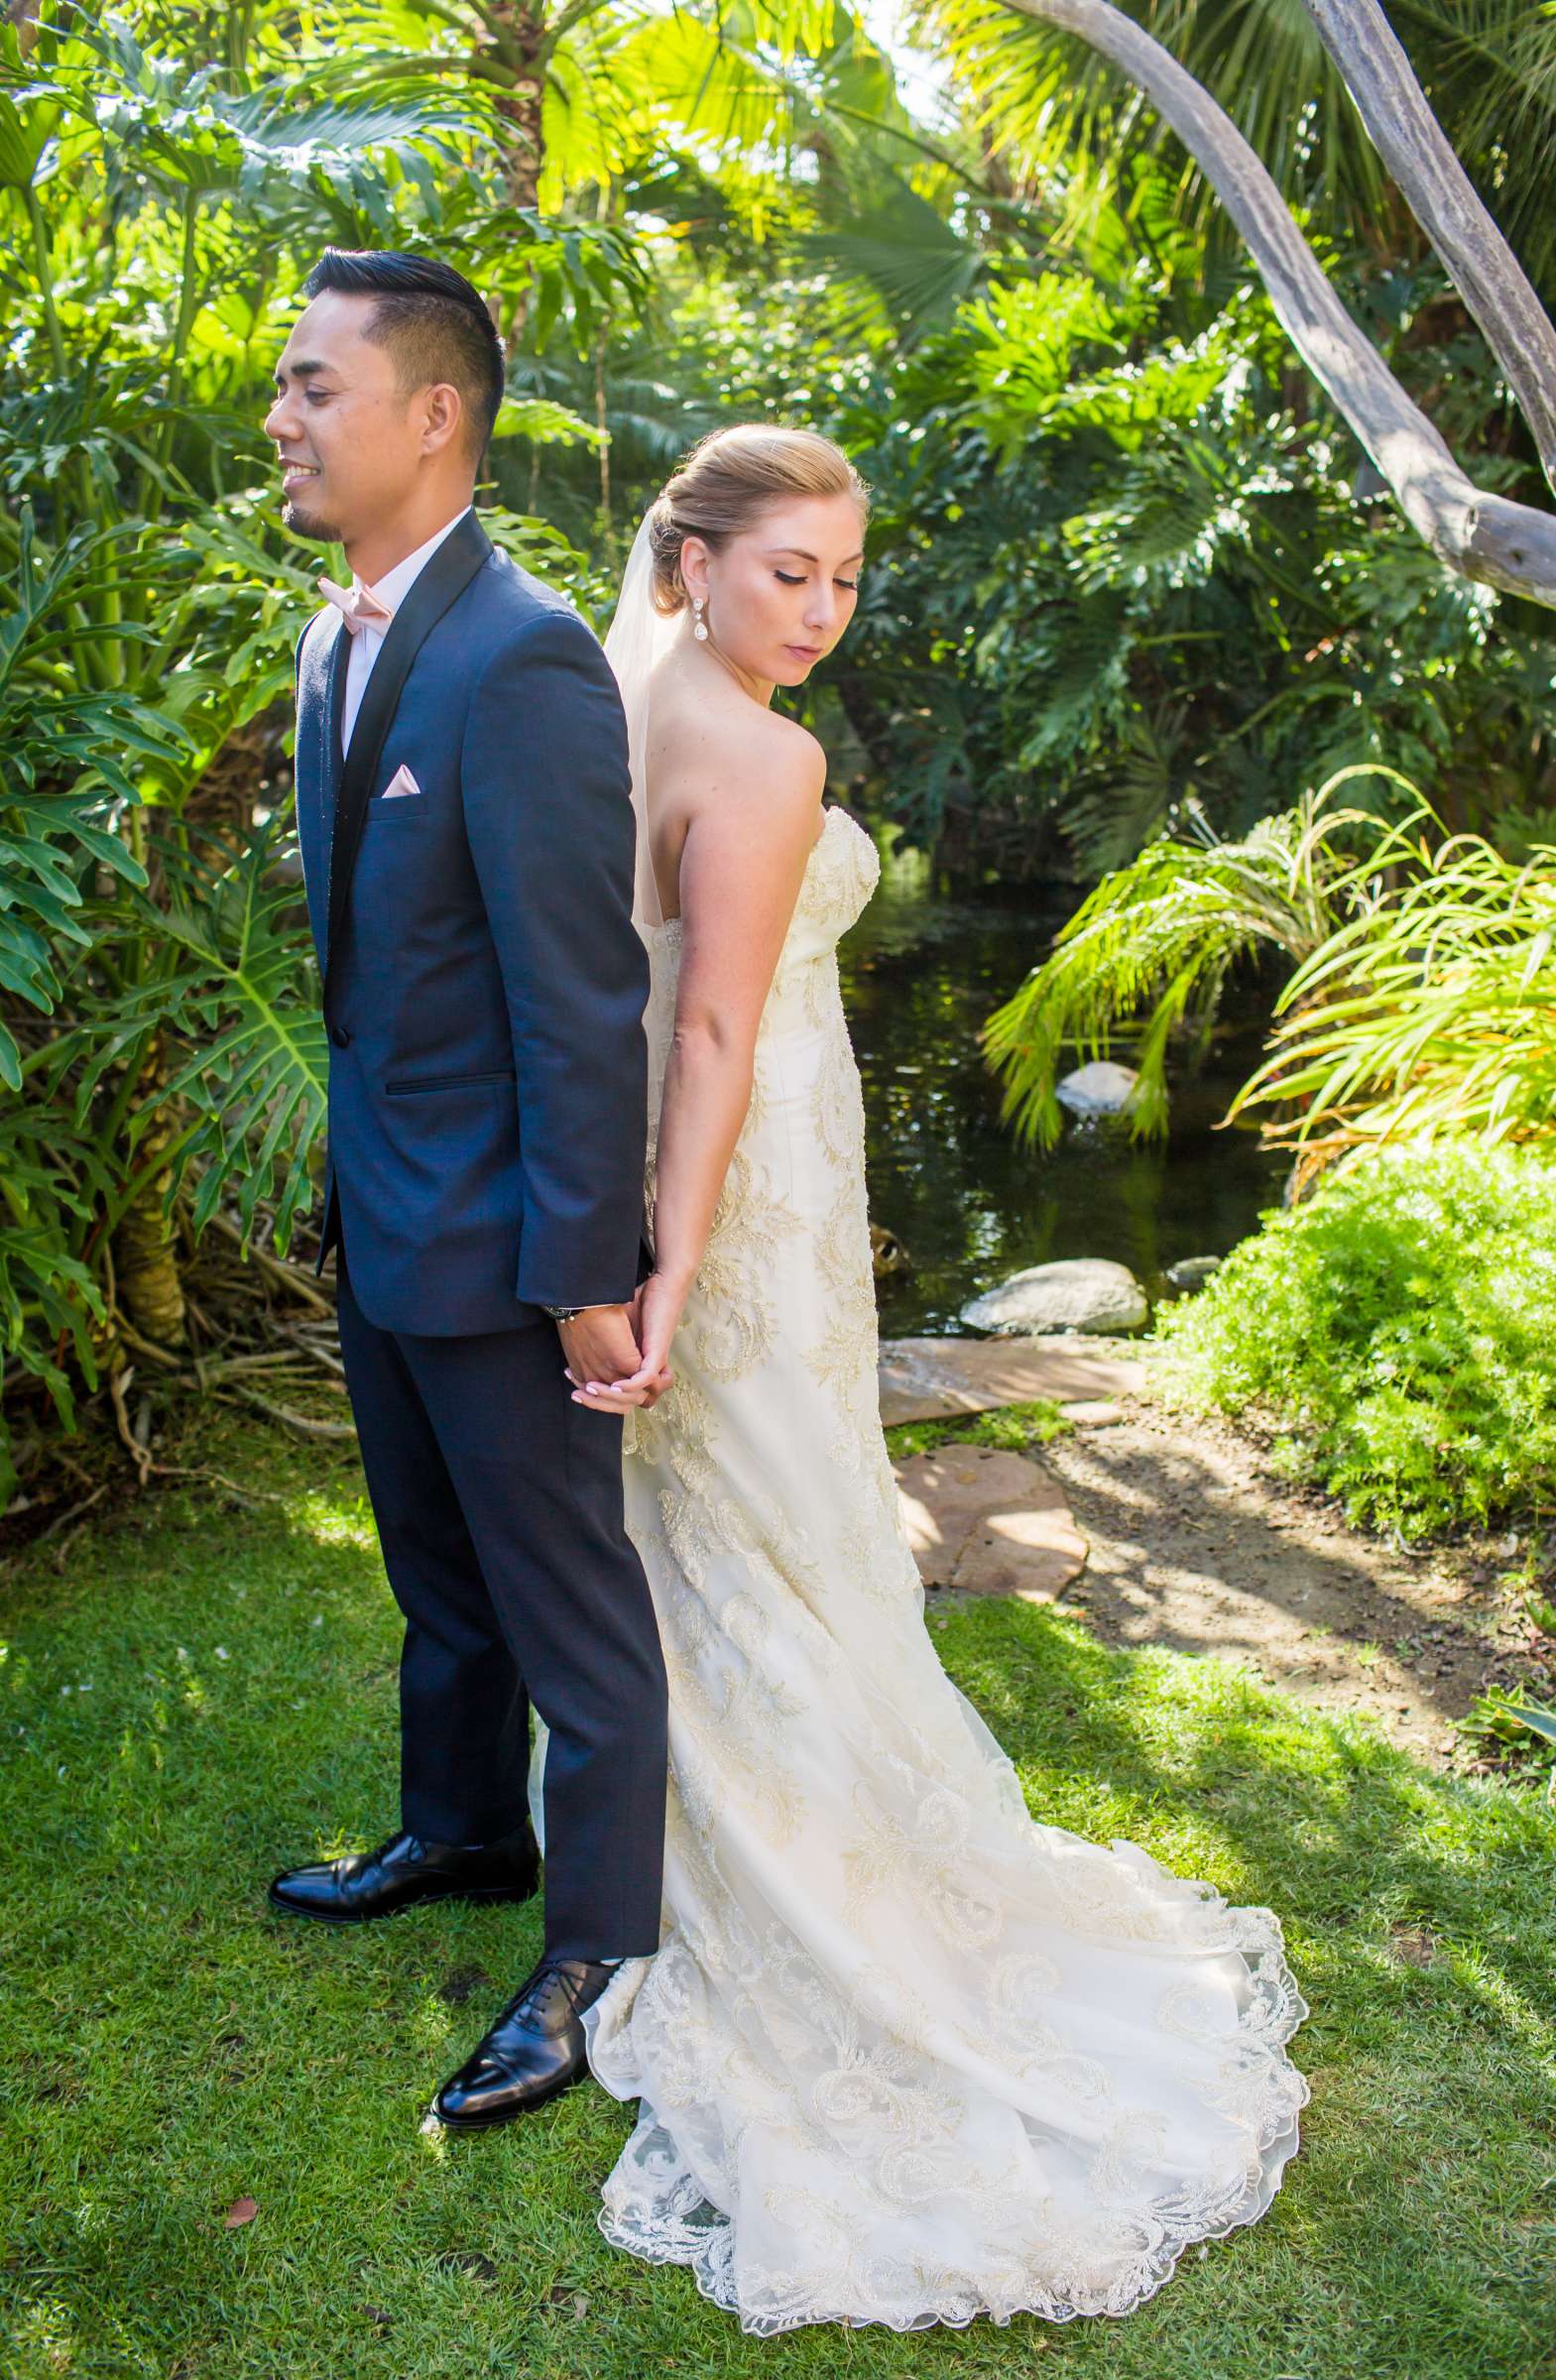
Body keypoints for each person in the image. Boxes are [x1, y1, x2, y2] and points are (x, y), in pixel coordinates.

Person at [552, 423, 1311, 2336]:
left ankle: (663, 1822)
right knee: (781, 1503)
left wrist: (614, 1228)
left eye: (845, 582)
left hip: (638, 1129)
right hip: (744, 1162)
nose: (820, 613)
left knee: (703, 1515)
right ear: (699, 551)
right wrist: (682, 1257)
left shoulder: (600, 675)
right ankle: (804, 1870)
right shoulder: (767, 751)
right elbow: (721, 1016)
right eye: (789, 571)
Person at [261, 247, 669, 2130]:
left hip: (508, 1239)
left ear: (435, 416)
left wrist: (586, 1271)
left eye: (314, 386)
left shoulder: (524, 659)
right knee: (440, 1583)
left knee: (570, 1615)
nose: (282, 419)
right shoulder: (335, 639)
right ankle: (460, 1839)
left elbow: (580, 1004)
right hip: (386, 1209)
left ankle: (591, 1958)